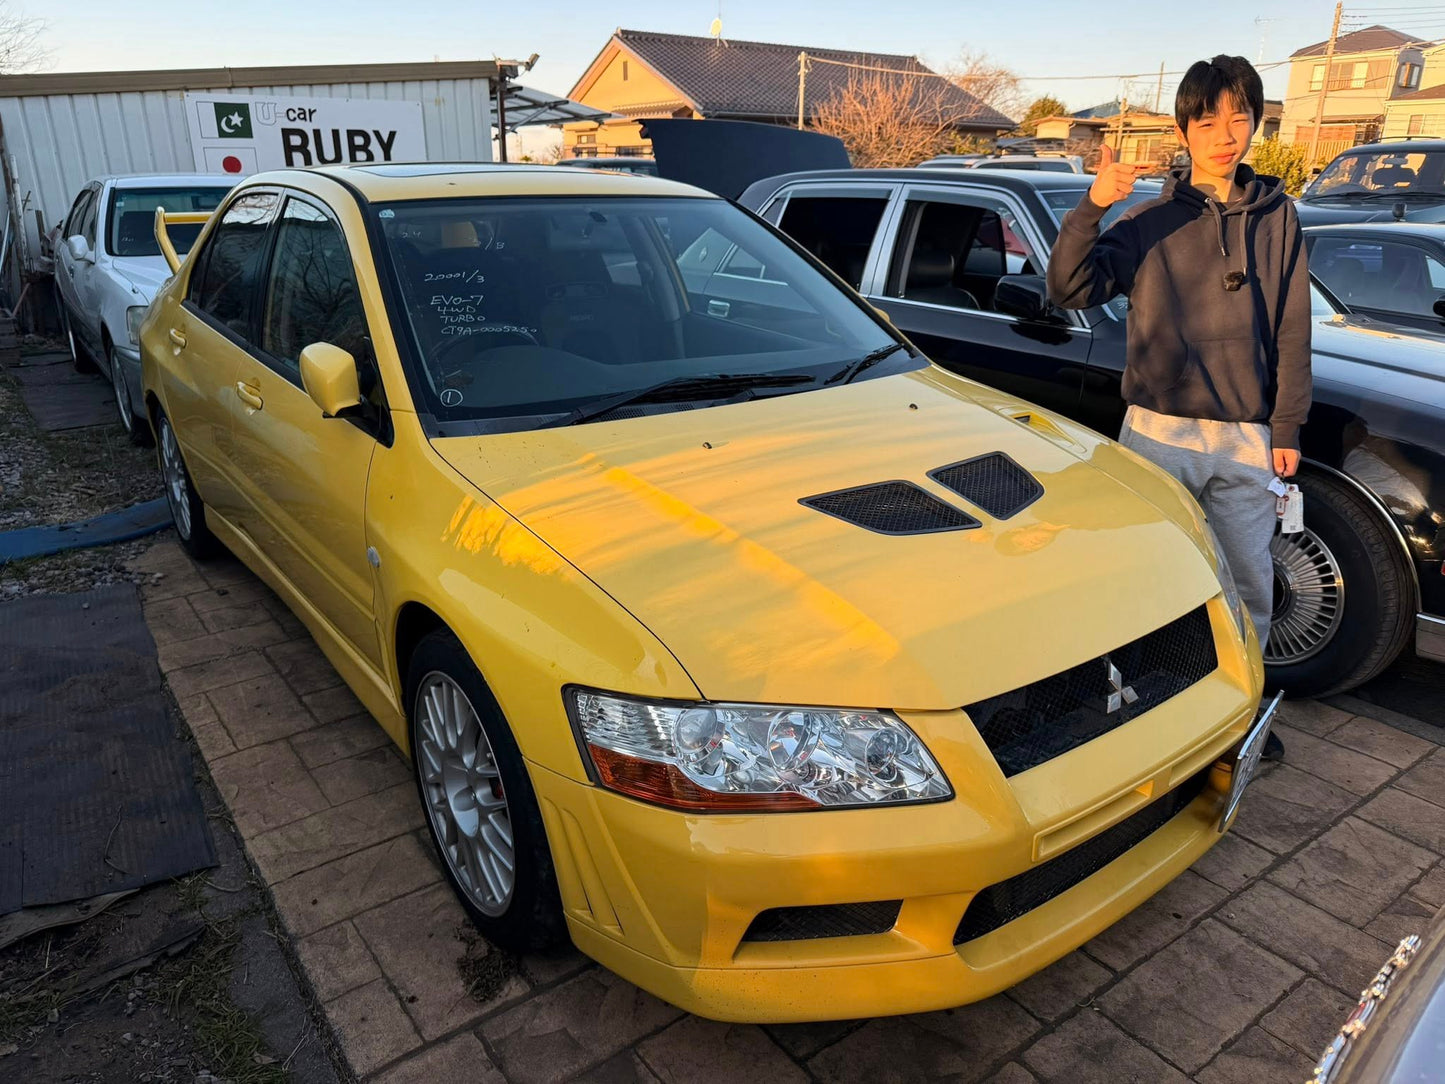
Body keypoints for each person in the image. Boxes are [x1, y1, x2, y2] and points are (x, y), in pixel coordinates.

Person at [1047, 55, 1310, 760]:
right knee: (1149, 585)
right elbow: (1067, 290)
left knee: (1248, 586)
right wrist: (1093, 205)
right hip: (1158, 434)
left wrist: (1284, 426)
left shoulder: (1277, 215)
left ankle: (1238, 718)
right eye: (1206, 119)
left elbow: (1290, 325)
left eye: (1238, 116)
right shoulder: (1147, 222)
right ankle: (1143, 717)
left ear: (1255, 120)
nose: (1225, 133)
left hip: (1246, 438)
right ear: (1183, 130)